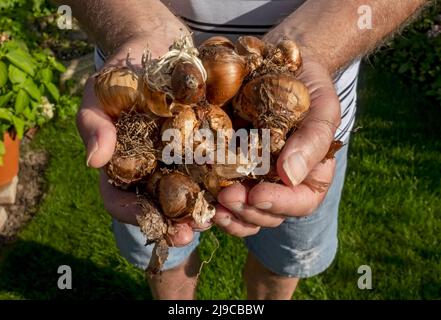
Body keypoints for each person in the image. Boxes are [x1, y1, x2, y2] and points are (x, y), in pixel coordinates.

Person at [61, 0, 429, 299]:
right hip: (138, 85)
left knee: (284, 263)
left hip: (310, 128)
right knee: (166, 253)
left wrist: (312, 44)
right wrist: (135, 27)